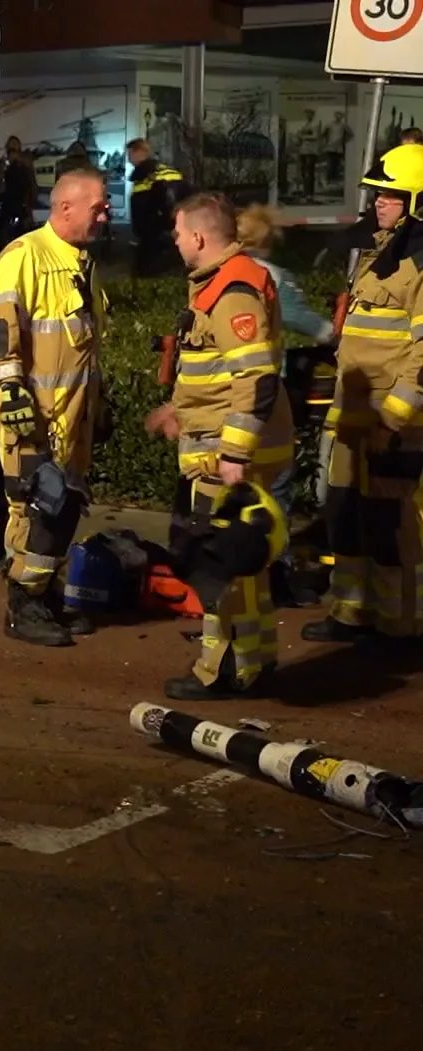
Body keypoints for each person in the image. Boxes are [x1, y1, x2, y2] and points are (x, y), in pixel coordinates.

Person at [143, 193, 296, 699]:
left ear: (198, 237)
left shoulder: (230, 290)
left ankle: (219, 670)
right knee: (244, 567)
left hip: (227, 453)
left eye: (178, 233)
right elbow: (217, 371)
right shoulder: (227, 281)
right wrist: (179, 410)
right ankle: (254, 662)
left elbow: (255, 377)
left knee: (219, 566)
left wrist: (233, 453)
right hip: (229, 444)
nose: (174, 241)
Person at [0, 167, 113, 647]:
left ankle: (45, 596)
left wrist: (99, 403)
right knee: (36, 510)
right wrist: (12, 392)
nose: (105, 215)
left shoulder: (80, 262)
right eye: (98, 207)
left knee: (65, 508)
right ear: (65, 208)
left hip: (73, 418)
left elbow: (84, 345)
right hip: (35, 418)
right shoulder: (25, 256)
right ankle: (23, 606)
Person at [304, 143, 423, 645]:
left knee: (389, 525)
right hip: (352, 418)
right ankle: (351, 612)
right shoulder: (379, 253)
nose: (380, 202)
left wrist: (392, 419)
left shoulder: (419, 264)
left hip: (391, 424)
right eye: (378, 193)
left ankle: (398, 626)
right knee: (345, 514)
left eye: (392, 196)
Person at [236, 203, 335, 607]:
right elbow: (312, 325)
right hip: (267, 394)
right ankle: (276, 572)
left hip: (226, 395)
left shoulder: (218, 274)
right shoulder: (273, 276)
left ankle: (238, 571)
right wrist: (340, 334)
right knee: (275, 484)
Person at [127, 138, 188, 277]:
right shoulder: (168, 172)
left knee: (149, 273)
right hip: (173, 233)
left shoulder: (146, 176)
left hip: (155, 238)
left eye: (129, 154)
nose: (128, 159)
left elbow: (145, 208)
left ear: (137, 152)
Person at [0, 135, 38, 249]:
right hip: (19, 210)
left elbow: (14, 191)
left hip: (16, 210)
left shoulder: (17, 168)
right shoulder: (20, 167)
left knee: (1, 231)